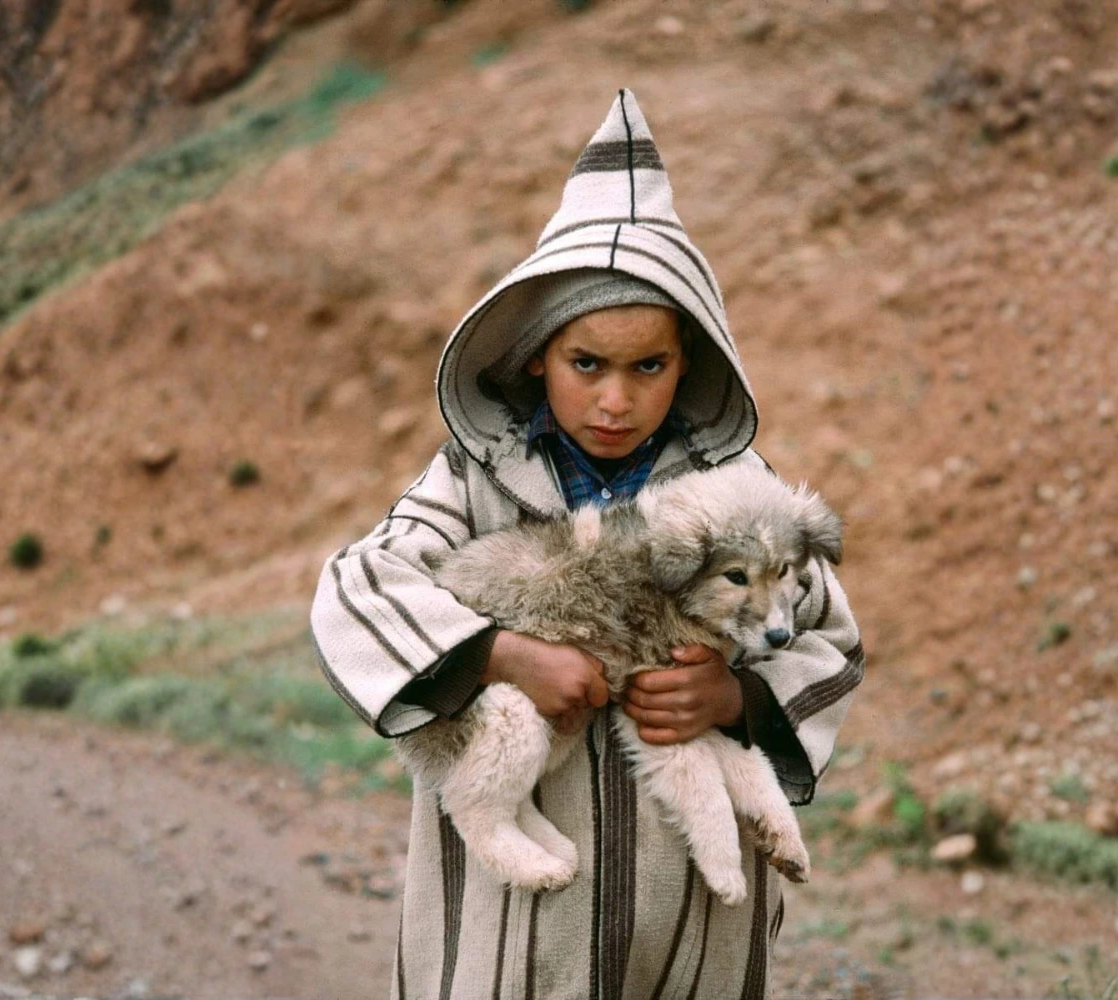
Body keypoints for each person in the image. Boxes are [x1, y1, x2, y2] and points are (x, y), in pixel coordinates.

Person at [311, 89, 864, 1000]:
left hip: (687, 908)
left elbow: (828, 636)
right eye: (587, 366)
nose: (617, 401)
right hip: (517, 921)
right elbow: (358, 590)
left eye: (648, 367)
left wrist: (734, 692)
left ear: (690, 363)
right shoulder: (475, 478)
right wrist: (502, 653)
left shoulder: (741, 491)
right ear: (536, 356)